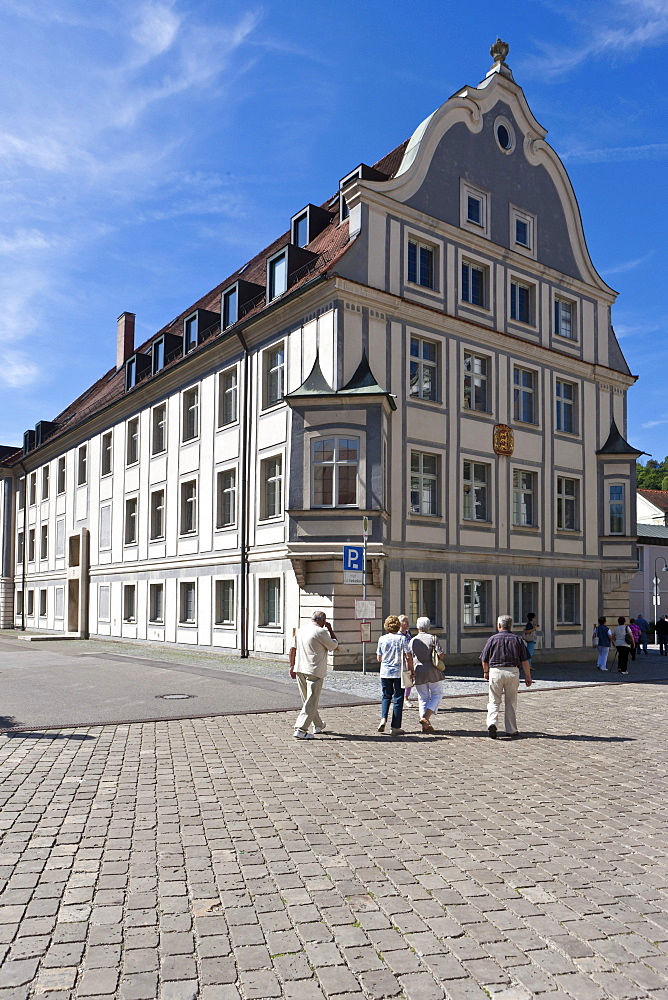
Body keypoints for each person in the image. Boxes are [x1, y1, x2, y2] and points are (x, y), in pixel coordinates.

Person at [481, 615, 532, 739]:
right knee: (511, 701)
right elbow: (525, 660)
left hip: (496, 671)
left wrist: (486, 672)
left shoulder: (492, 639)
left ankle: (492, 723)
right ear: (511, 626)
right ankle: (511, 729)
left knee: (493, 700)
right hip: (512, 672)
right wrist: (528, 676)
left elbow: (484, 659)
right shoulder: (517, 640)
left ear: (499, 626)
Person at [289, 611, 338, 739]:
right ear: (323, 621)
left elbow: (292, 649)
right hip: (314, 670)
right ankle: (301, 729)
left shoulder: (301, 630)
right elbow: (334, 645)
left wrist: (291, 666)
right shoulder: (321, 632)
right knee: (311, 701)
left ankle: (318, 724)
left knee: (308, 700)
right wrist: (330, 629)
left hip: (300, 668)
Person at [376, 615, 413, 736]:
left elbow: (379, 658)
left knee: (386, 696)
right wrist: (411, 670)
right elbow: (408, 656)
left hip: (385, 672)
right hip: (398, 672)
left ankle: (383, 718)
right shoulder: (402, 639)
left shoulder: (382, 639)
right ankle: (395, 726)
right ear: (398, 626)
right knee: (398, 698)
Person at [409, 617, 445, 733]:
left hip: (418, 670)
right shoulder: (433, 638)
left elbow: (409, 657)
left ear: (417, 627)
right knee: (437, 693)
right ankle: (426, 717)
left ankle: (424, 726)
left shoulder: (413, 640)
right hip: (432, 670)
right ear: (428, 626)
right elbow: (440, 655)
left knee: (422, 697)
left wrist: (410, 671)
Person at [398, 615, 414, 708]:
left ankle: (406, 698)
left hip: (409, 659)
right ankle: (398, 699)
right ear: (400, 623)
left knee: (409, 679)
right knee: (399, 681)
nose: (408, 624)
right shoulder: (397, 634)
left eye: (408, 621)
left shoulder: (408, 633)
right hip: (400, 660)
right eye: (405, 622)